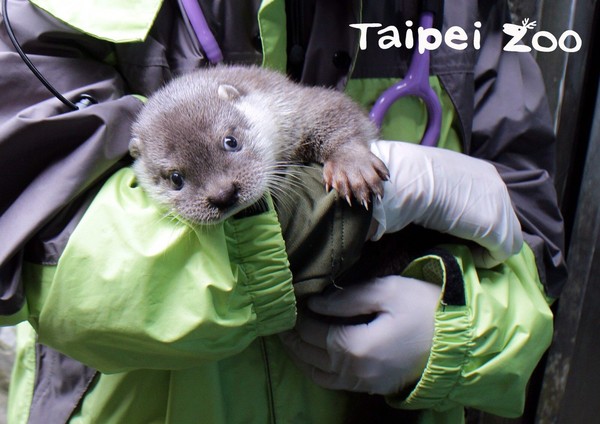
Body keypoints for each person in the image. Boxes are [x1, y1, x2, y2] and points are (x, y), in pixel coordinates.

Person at [0, 0, 566, 423]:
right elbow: (49, 256)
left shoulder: (475, 14)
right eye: (178, 181)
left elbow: (536, 247)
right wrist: (343, 215)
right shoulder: (46, 11)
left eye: (227, 153)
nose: (221, 194)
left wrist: (455, 333)